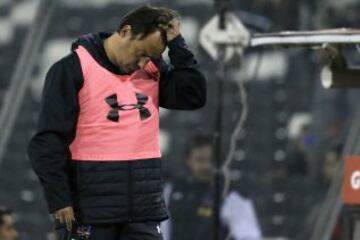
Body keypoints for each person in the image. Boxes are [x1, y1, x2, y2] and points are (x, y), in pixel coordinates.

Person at [27, 6, 206, 240]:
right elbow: (46, 142)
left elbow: (193, 95)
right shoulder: (71, 70)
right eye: (140, 53)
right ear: (125, 31)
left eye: (150, 57)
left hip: (143, 215)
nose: (143, 64)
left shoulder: (153, 69)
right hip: (89, 214)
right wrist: (59, 199)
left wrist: (177, 44)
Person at [162, 134, 262, 240]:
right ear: (188, 161)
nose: (207, 166)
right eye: (200, 160)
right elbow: (161, 229)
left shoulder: (230, 194)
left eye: (212, 160)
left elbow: (249, 235)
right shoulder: (172, 189)